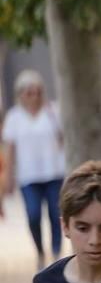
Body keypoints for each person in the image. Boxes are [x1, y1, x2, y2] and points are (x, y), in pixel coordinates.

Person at [1, 69, 66, 269]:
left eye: (37, 91)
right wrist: (8, 178)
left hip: (54, 173)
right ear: (20, 94)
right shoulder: (14, 117)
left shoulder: (53, 111)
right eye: (29, 92)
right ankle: (39, 250)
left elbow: (63, 140)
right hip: (28, 176)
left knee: (56, 214)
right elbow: (10, 151)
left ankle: (56, 252)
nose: (34, 96)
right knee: (33, 214)